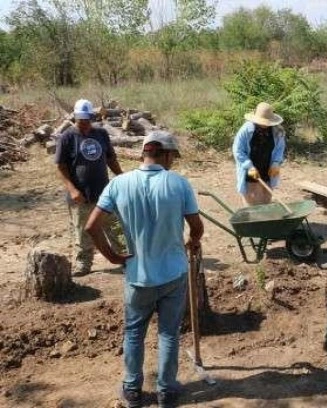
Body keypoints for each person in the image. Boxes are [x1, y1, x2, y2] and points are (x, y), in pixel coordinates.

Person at [84, 131, 204, 407]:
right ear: (166, 154)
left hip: (137, 276)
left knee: (135, 332)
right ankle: (167, 391)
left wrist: (113, 256)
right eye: (173, 156)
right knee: (168, 333)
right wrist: (192, 241)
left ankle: (132, 390)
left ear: (144, 153)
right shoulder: (179, 184)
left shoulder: (119, 184)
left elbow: (92, 226)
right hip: (173, 274)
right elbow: (196, 227)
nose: (173, 161)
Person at [55, 98, 124, 276]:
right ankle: (83, 264)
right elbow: (60, 167)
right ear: (75, 118)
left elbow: (110, 159)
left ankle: (125, 258)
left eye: (87, 120)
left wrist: (122, 178)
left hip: (104, 193)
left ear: (92, 118)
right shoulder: (67, 137)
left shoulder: (101, 134)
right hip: (80, 196)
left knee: (116, 227)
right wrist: (72, 190)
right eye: (81, 120)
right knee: (82, 232)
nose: (85, 124)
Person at [232, 102, 286, 205]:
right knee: (252, 201)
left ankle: (264, 219)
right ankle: (252, 219)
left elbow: (280, 149)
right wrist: (249, 166)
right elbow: (238, 150)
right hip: (250, 170)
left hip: (267, 169)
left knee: (266, 198)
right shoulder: (246, 130)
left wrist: (276, 163)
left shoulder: (277, 131)